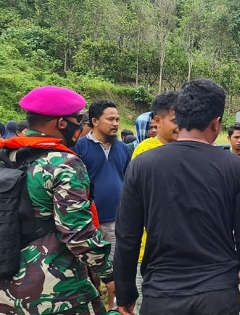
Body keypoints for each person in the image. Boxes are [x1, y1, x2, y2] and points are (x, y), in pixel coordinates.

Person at [114, 79, 240, 315]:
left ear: (179, 117)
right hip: (218, 292)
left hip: (162, 293)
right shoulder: (236, 168)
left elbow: (127, 235)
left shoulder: (142, 165)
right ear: (217, 122)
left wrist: (126, 291)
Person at [0, 86, 113, 314]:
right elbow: (78, 234)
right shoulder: (64, 164)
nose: (80, 127)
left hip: (6, 291)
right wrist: (109, 273)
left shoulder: (6, 156)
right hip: (57, 294)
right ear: (62, 123)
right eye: (78, 120)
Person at [73, 100, 131, 308]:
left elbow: (126, 178)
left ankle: (114, 308)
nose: (115, 123)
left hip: (116, 219)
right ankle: (92, 304)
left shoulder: (123, 148)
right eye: (110, 119)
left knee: (115, 267)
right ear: (95, 121)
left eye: (117, 119)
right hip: (89, 221)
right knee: (88, 267)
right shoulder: (80, 148)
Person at [129, 91, 180, 309]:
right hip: (148, 248)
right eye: (176, 120)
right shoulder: (146, 152)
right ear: (157, 122)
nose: (182, 126)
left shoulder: (180, 149)